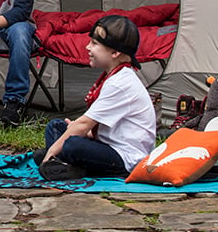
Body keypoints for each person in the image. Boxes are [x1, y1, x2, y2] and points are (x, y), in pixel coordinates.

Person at [34, 14, 156, 181]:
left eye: (94, 44)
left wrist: (49, 155)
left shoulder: (120, 84)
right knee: (56, 127)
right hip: (109, 144)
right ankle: (67, 164)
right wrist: (74, 131)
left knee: (72, 144)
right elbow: (103, 128)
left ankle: (63, 163)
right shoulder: (114, 76)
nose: (87, 48)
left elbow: (85, 124)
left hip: (126, 158)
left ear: (114, 52)